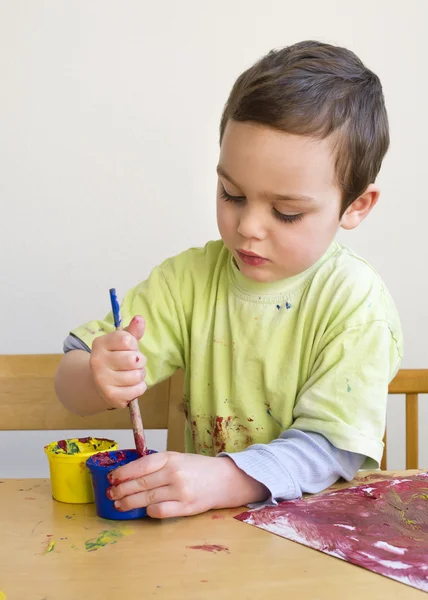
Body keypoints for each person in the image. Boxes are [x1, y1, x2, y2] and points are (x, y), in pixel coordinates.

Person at [55, 40, 403, 519]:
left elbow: (333, 449)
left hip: (312, 546)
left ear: (355, 205)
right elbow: (70, 382)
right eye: (231, 194)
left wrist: (225, 477)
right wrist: (98, 377)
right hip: (198, 545)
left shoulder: (355, 303)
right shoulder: (190, 280)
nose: (248, 227)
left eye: (286, 212)